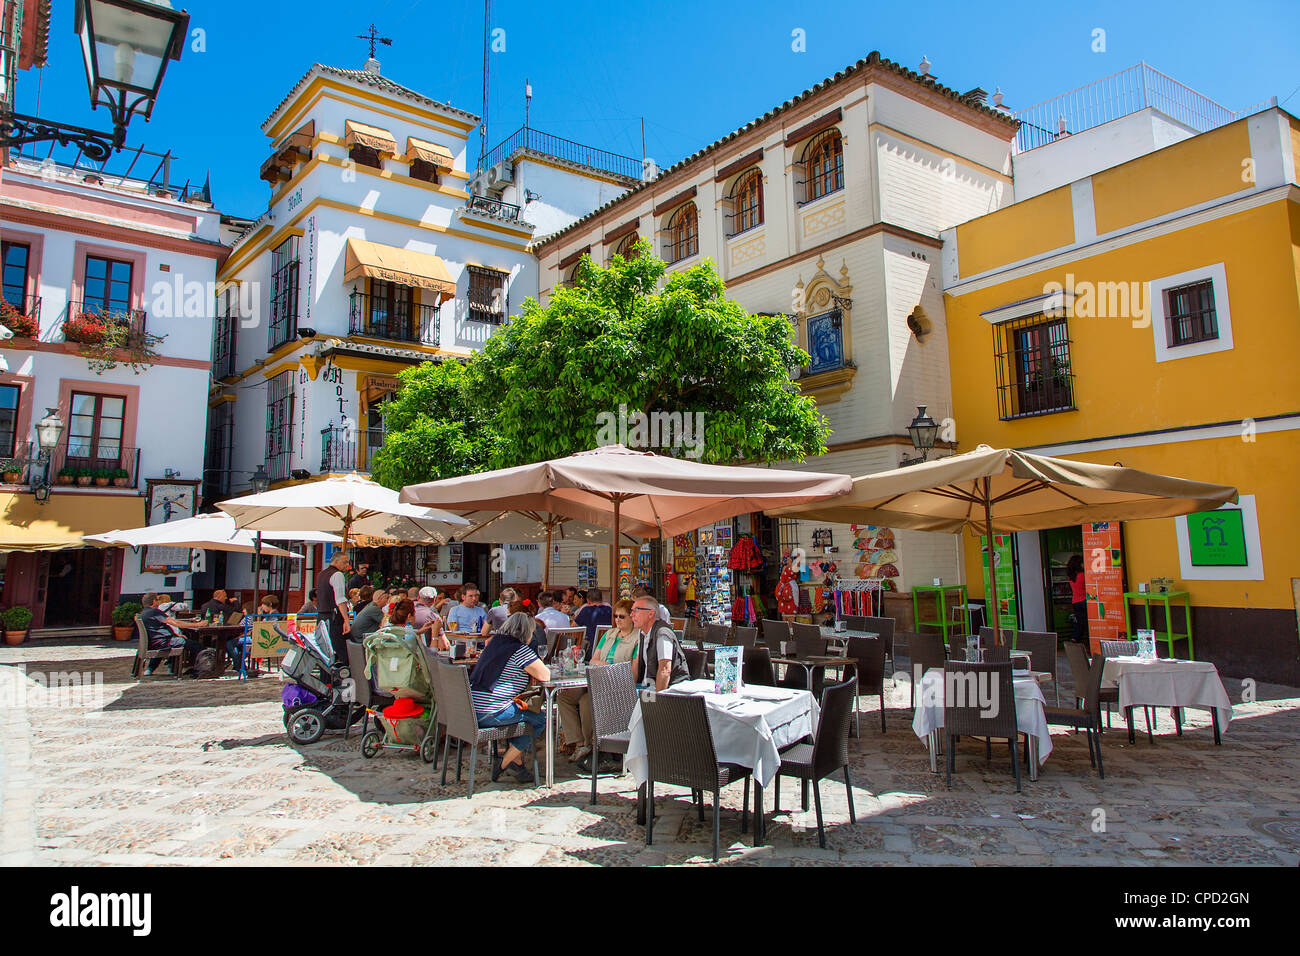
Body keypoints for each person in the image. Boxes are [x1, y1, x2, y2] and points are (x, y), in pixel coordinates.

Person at [469, 610, 549, 783]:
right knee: (540, 719)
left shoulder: (494, 644)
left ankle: (518, 763)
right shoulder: (520, 649)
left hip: (470, 710)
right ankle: (505, 762)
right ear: (528, 632)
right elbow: (545, 676)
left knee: (519, 712)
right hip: (491, 712)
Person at [559, 598, 640, 768]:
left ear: (632, 617)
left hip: (617, 686)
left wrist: (605, 667)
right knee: (564, 697)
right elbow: (594, 659)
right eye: (615, 616)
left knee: (586, 701)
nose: (617, 620)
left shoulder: (637, 639)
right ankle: (579, 743)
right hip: (595, 679)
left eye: (622, 617)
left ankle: (591, 745)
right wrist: (608, 666)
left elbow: (632, 673)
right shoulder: (609, 635)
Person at [139, 591, 203, 675]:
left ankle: (181, 669)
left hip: (156, 642)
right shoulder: (154, 612)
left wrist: (176, 635)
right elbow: (176, 623)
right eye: (157, 600)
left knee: (185, 641)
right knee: (197, 646)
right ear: (154, 601)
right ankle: (198, 670)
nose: (159, 602)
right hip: (164, 643)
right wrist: (197, 624)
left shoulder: (143, 613)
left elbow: (158, 630)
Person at [631, 596, 689, 690]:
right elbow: (637, 662)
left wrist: (657, 701)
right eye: (631, 610)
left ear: (651, 614)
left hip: (669, 690)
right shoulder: (642, 632)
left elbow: (665, 670)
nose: (631, 614)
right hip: (646, 686)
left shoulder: (662, 633)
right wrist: (629, 689)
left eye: (636, 610)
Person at [317, 550, 353, 664]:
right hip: (334, 617)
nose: (347, 565)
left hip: (322, 616)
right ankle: (347, 675)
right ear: (336, 561)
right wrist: (346, 620)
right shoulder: (337, 575)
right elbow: (340, 600)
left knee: (325, 649)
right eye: (345, 562)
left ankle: (327, 678)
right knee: (343, 649)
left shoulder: (321, 574)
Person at [575, 588, 612, 663]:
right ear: (602, 599)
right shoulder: (610, 609)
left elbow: (574, 627)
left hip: (591, 650)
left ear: (588, 600)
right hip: (608, 648)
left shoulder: (586, 610)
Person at [1067, 554, 1088, 644]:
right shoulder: (1083, 575)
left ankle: (1075, 638)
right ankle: (1088, 641)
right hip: (1085, 600)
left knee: (1080, 622)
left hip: (1076, 601)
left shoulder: (1071, 577)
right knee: (1087, 623)